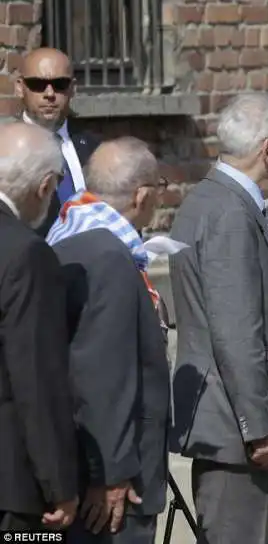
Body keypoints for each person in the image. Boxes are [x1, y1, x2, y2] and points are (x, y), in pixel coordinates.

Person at [169, 93, 268, 544]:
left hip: (229, 423)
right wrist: (259, 428)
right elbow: (237, 330)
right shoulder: (228, 213)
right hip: (235, 431)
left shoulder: (214, 200)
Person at [44, 137, 171, 543]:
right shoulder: (110, 256)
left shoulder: (69, 234)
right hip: (117, 484)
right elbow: (102, 374)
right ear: (143, 195)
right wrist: (110, 474)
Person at [0, 122, 78, 532]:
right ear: (45, 186)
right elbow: (35, 377)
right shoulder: (26, 254)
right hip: (11, 488)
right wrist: (59, 483)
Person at [15, 47, 100, 236]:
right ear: (20, 87)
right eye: (37, 84)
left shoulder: (94, 147)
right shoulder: (6, 147)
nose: (49, 93)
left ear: (73, 88)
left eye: (59, 84)